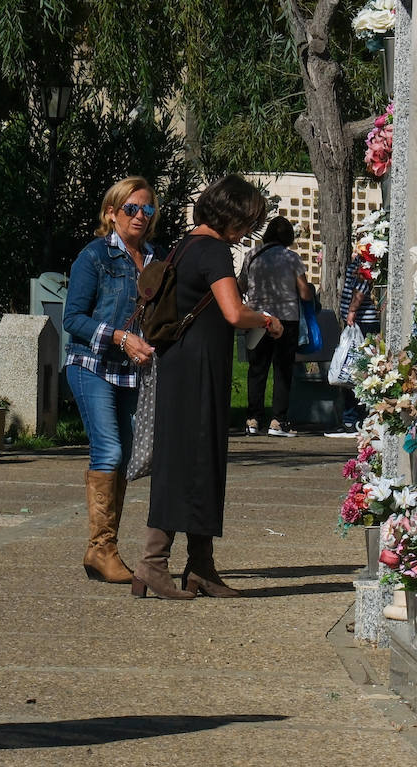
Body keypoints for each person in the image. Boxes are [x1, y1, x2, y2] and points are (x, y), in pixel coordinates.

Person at [134, 175, 276, 600]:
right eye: (247, 222)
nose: (247, 231)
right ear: (231, 215)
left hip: (179, 365)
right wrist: (266, 320)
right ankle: (154, 563)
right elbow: (233, 312)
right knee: (190, 462)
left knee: (194, 461)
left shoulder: (184, 245)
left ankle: (200, 565)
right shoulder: (213, 251)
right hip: (199, 369)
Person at [62, 177, 158, 584]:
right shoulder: (94, 256)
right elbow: (72, 319)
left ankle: (102, 550)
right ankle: (102, 548)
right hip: (92, 365)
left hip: (132, 372)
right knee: (109, 450)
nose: (140, 216)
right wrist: (119, 337)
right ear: (111, 213)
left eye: (147, 209)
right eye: (131, 209)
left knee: (126, 455)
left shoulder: (154, 259)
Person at [239, 216, 313, 438]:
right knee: (282, 371)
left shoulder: (252, 255)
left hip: (257, 318)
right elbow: (304, 293)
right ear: (288, 237)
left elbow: (241, 285)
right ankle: (278, 421)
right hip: (286, 320)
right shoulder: (291, 258)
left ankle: (253, 419)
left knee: (257, 369)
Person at [334, 256, 382, 433]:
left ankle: (353, 417)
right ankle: (354, 416)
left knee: (356, 369)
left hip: (363, 322)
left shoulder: (368, 256)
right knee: (355, 369)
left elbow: (362, 284)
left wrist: (352, 310)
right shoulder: (362, 256)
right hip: (358, 322)